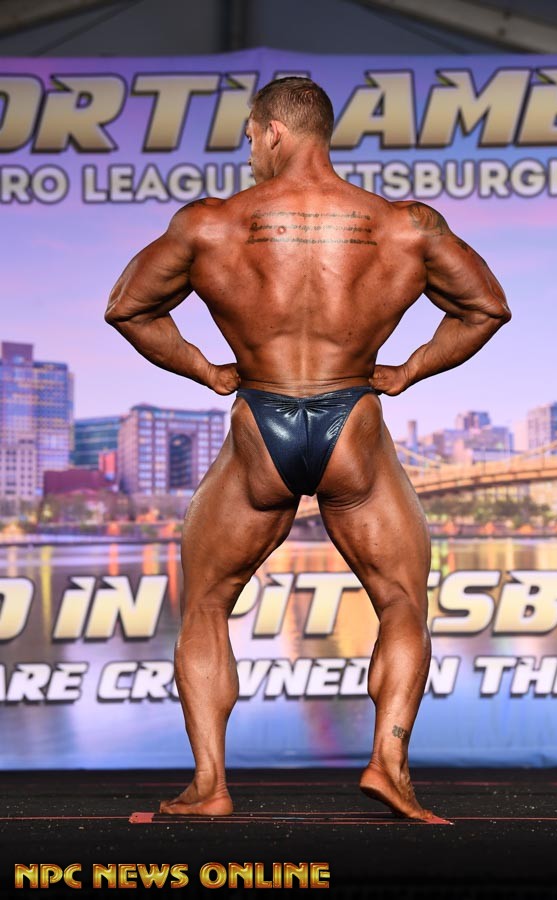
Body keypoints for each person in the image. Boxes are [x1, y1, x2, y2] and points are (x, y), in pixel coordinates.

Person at [105, 77, 510, 824]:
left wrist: (206, 370)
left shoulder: (211, 224)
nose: (249, 153)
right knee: (401, 601)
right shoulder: (405, 225)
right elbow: (486, 307)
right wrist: (407, 370)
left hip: (260, 421)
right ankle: (388, 764)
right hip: (352, 420)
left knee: (206, 601)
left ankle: (210, 785)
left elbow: (127, 307)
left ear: (275, 132)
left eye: (250, 138)